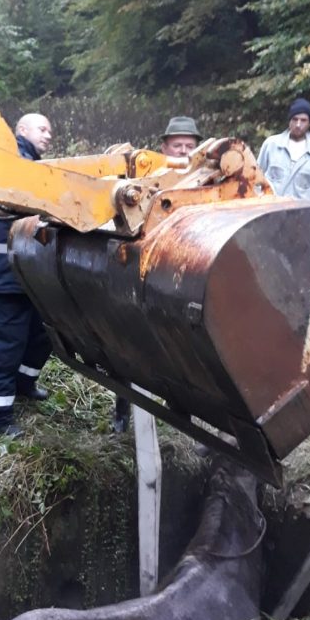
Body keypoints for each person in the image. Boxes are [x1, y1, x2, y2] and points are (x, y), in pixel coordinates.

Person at [111, 115, 203, 434]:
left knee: (178, 348)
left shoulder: (207, 181)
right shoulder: (147, 178)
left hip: (180, 277)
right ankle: (123, 410)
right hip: (141, 271)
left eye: (189, 146)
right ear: (164, 147)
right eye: (177, 145)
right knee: (130, 346)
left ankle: (181, 410)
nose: (184, 151)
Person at [0, 113, 53, 438]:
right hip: (7, 278)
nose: (48, 135)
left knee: (42, 335)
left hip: (27, 277)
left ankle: (24, 384)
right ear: (21, 130)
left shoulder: (30, 166)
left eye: (50, 131)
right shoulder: (15, 165)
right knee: (6, 348)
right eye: (42, 129)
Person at [257, 98, 310, 199]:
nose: (298, 124)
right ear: (289, 121)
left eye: (303, 120)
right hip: (271, 206)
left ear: (309, 123)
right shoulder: (271, 145)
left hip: (302, 209)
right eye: (295, 119)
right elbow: (256, 178)